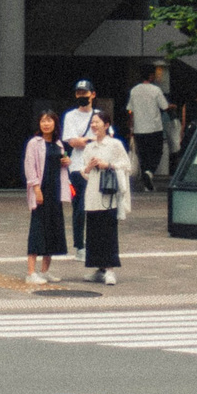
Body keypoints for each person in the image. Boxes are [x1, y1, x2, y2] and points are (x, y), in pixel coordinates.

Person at [77, 111, 133, 285]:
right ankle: (99, 269)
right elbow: (84, 172)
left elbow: (127, 165)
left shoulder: (115, 144)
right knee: (93, 234)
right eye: (92, 122)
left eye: (97, 122)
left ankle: (110, 270)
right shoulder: (89, 147)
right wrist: (89, 167)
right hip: (93, 194)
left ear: (106, 125)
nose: (94, 125)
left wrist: (108, 165)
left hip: (109, 196)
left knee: (108, 233)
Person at [22, 105, 71, 285]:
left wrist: (66, 162)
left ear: (55, 123)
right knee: (37, 229)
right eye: (43, 121)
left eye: (49, 120)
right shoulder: (34, 143)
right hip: (41, 190)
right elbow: (30, 166)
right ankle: (31, 272)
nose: (46, 124)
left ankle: (45, 271)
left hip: (55, 191)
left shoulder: (59, 144)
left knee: (52, 229)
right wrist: (36, 188)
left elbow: (61, 166)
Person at [60, 78, 100, 260]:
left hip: (97, 167)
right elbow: (72, 141)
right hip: (77, 168)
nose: (81, 96)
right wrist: (91, 140)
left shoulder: (99, 114)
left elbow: (106, 138)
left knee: (97, 207)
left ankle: (94, 243)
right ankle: (79, 246)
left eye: (85, 93)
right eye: (79, 93)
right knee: (80, 207)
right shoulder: (70, 116)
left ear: (93, 94)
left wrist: (85, 141)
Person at [127, 64, 169, 192]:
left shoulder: (134, 90)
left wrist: (131, 128)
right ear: (151, 76)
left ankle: (147, 182)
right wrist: (173, 107)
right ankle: (149, 173)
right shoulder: (156, 90)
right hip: (154, 128)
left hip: (139, 129)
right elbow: (165, 106)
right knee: (157, 152)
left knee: (143, 155)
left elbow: (130, 111)